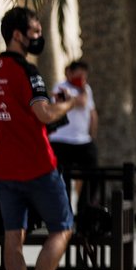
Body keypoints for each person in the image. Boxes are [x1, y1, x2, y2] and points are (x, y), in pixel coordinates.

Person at [0, 7, 87, 270]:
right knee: (63, 228)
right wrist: (69, 103)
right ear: (18, 35)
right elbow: (44, 115)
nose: (38, 37)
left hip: (5, 168)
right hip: (39, 166)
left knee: (13, 238)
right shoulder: (29, 73)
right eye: (35, 32)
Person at [48, 59, 99, 205]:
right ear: (70, 73)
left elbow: (91, 111)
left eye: (84, 75)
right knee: (63, 178)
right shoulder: (60, 87)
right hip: (62, 140)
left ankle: (85, 209)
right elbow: (76, 102)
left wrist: (92, 135)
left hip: (82, 141)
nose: (82, 79)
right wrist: (76, 96)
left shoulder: (86, 89)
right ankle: (65, 213)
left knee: (92, 174)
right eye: (79, 75)